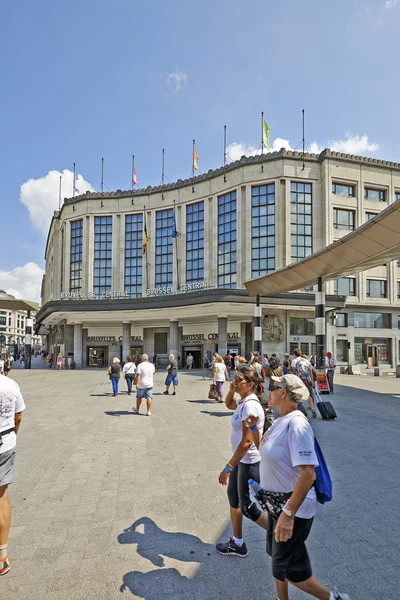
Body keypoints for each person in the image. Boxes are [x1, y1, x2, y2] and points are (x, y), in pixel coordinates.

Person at [245, 374, 351, 600]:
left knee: (290, 569)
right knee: (278, 558)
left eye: (272, 387)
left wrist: (288, 515)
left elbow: (308, 473)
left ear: (283, 393)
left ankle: (332, 598)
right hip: (276, 503)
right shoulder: (280, 420)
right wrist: (254, 428)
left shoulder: (297, 424)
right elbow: (264, 448)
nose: (268, 390)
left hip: (293, 506)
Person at [215, 366, 268, 557]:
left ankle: (282, 534)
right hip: (241, 461)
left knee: (246, 505)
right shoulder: (243, 401)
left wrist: (228, 468)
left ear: (251, 384)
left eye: (239, 380)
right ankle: (237, 543)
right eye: (235, 379)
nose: (235, 382)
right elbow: (228, 404)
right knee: (234, 499)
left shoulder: (250, 406)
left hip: (249, 461)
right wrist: (231, 389)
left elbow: (247, 442)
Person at [0, 372, 26, 576]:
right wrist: (12, 435)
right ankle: (2, 557)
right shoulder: (10, 384)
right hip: (5, 442)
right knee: (2, 496)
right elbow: (18, 416)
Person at [291, 350, 316, 418]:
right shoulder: (306, 360)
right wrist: (312, 381)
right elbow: (311, 371)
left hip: (299, 380)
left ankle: (301, 411)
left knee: (298, 395)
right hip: (307, 380)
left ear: (294, 354)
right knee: (308, 395)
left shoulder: (294, 361)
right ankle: (313, 409)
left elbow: (294, 372)